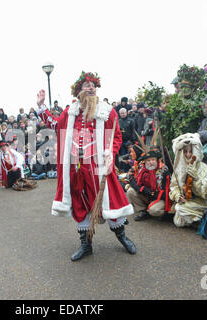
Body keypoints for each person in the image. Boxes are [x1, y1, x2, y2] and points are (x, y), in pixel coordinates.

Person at [34, 71, 136, 261]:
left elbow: (117, 137)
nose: (91, 88)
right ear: (79, 91)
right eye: (87, 85)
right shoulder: (70, 111)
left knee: (109, 200)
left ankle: (122, 237)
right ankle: (86, 244)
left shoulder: (107, 111)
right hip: (76, 167)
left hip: (98, 166)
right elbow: (56, 125)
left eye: (93, 85)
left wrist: (109, 154)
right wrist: (41, 107)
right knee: (80, 203)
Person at [169, 133, 207, 227]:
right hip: (185, 201)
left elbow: (205, 192)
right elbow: (174, 186)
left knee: (179, 210)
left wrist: (195, 179)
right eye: (185, 152)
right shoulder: (179, 167)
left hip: (200, 201)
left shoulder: (203, 167)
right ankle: (194, 219)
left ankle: (201, 217)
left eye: (191, 151)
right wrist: (178, 197)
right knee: (178, 222)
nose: (188, 155)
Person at [126, 148, 171, 221]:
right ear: (145, 162)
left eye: (153, 160)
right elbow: (133, 181)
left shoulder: (163, 170)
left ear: (157, 160)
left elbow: (166, 190)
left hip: (159, 197)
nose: (151, 162)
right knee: (130, 191)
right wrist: (143, 189)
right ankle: (143, 211)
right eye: (148, 160)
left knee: (153, 211)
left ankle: (165, 213)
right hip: (147, 194)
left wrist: (152, 194)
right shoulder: (142, 169)